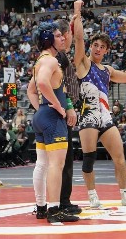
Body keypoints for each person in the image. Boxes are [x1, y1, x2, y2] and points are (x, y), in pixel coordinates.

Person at [74, 3, 126, 208]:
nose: (98, 49)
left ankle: (125, 194)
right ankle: (92, 195)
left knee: (119, 157)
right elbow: (78, 38)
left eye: (102, 47)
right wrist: (77, 11)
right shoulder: (83, 63)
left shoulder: (108, 70)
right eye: (95, 45)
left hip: (104, 116)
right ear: (91, 46)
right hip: (87, 115)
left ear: (106, 51)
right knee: (89, 159)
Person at [27, 21, 79, 223]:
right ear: (49, 40)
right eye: (58, 36)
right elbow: (41, 83)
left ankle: (41, 207)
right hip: (52, 118)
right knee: (56, 166)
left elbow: (31, 90)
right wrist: (58, 106)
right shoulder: (50, 61)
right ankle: (54, 210)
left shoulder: (40, 60)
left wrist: (41, 108)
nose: (63, 38)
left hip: (41, 116)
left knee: (42, 164)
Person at [57, 12, 83, 215]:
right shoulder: (59, 57)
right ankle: (61, 202)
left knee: (60, 161)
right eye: (69, 35)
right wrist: (68, 106)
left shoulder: (57, 56)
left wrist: (75, 20)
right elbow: (60, 85)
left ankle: (51, 202)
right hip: (62, 113)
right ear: (64, 35)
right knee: (63, 161)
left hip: (60, 112)